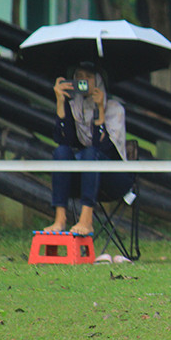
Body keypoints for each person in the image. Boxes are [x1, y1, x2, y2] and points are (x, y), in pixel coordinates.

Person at [45, 61, 133, 237]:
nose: (83, 81)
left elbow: (104, 149)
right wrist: (61, 103)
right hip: (86, 175)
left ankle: (86, 220)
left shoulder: (115, 109)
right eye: (79, 77)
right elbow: (64, 141)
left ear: (99, 81)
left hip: (114, 177)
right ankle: (60, 218)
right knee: (61, 152)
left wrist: (100, 109)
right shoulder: (74, 107)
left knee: (90, 153)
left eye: (89, 77)